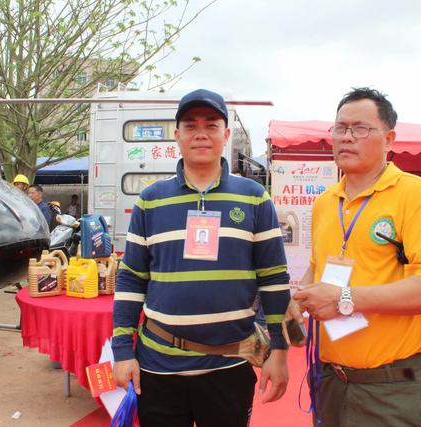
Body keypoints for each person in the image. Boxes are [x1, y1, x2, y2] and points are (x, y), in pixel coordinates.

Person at [112, 88, 291, 427]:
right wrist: (122, 350)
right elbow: (131, 278)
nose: (200, 134)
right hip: (158, 364)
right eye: (190, 125)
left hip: (229, 365)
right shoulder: (150, 200)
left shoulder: (254, 198)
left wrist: (279, 350)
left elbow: (274, 280)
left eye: (211, 125)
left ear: (226, 135)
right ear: (177, 135)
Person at [289, 87, 421, 426]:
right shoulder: (326, 201)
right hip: (332, 381)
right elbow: (318, 266)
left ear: (389, 139)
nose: (347, 137)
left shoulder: (417, 196)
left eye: (360, 128)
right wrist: (301, 297)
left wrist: (345, 298)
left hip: (393, 387)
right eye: (340, 128)